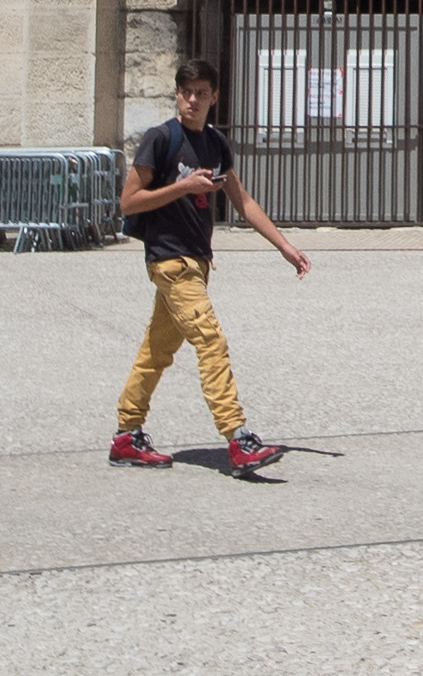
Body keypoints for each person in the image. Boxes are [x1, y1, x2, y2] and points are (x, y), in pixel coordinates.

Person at [109, 55, 309, 472]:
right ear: (177, 96)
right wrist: (183, 186)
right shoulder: (160, 139)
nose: (193, 100)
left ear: (214, 97)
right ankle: (238, 437)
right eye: (186, 93)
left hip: (197, 263)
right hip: (170, 261)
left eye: (201, 93)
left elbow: (243, 201)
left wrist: (284, 247)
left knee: (156, 351)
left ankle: (127, 436)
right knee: (211, 341)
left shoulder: (215, 143)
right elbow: (129, 201)